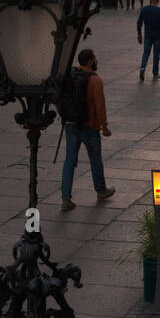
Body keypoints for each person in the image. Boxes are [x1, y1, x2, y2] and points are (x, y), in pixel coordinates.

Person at [60, 48, 115, 211]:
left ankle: (65, 198)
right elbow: (100, 105)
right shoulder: (95, 81)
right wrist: (104, 126)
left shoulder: (70, 76)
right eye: (95, 59)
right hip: (89, 126)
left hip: (70, 124)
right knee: (95, 158)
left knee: (69, 161)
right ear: (90, 61)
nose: (96, 61)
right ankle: (101, 190)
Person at [137, 0, 160, 80]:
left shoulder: (144, 9)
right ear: (158, 1)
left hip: (148, 35)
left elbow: (139, 22)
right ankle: (155, 73)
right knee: (156, 54)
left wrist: (139, 33)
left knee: (146, 53)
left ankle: (143, 67)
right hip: (157, 36)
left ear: (150, 0)